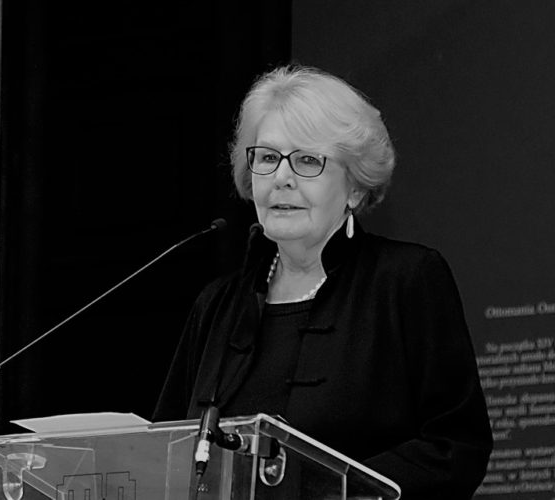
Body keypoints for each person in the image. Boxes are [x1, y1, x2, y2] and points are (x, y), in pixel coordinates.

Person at [152, 65, 492, 499]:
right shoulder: (217, 305)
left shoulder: (405, 281)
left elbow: (455, 448)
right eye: (268, 158)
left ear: (354, 188)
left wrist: (338, 493)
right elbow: (163, 455)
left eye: (308, 160)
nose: (282, 177)